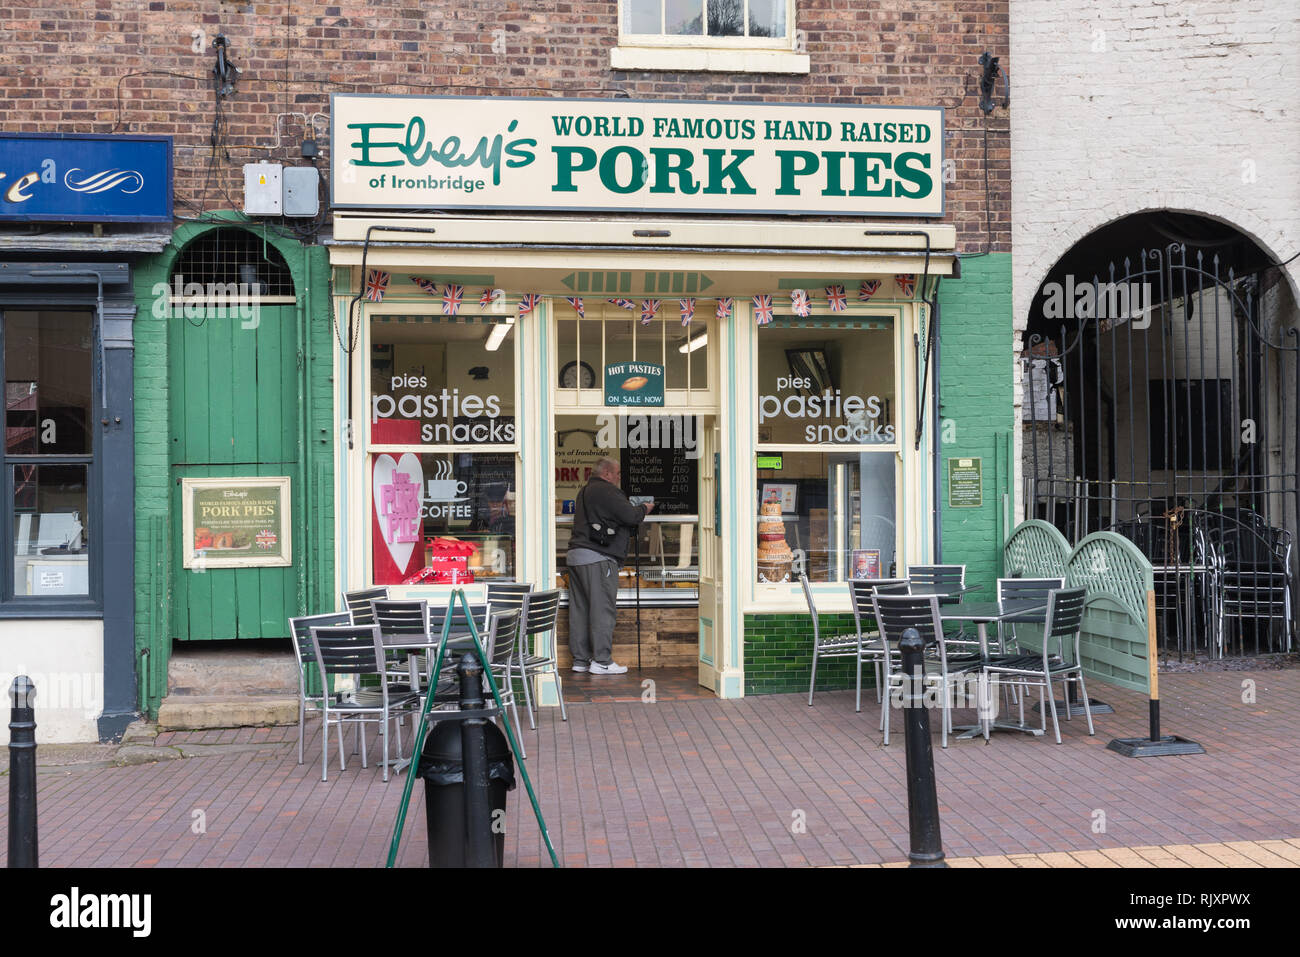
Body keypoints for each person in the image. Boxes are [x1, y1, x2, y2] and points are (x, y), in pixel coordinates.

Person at [565, 457, 654, 674]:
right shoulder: (608, 491)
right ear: (606, 473)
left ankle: (580, 660)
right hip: (598, 557)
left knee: (580, 609)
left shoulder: (585, 491)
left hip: (576, 557)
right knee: (602, 609)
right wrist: (644, 507)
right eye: (617, 473)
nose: (619, 477)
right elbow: (630, 516)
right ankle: (602, 661)